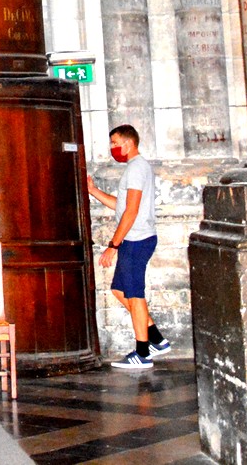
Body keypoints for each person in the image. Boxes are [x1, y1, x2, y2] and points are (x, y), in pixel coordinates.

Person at [87, 123, 170, 370]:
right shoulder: (135, 168)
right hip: (134, 239)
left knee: (135, 295)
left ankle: (142, 353)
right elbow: (121, 206)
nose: (112, 148)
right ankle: (157, 339)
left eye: (115, 143)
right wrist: (93, 191)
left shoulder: (136, 168)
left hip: (136, 239)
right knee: (120, 291)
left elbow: (131, 212)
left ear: (128, 143)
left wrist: (113, 245)